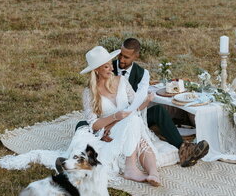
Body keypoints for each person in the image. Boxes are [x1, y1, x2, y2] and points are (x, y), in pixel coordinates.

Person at [113, 38, 209, 167]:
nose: (121, 60)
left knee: (158, 110)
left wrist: (134, 111)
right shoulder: (108, 68)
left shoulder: (143, 74)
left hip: (134, 114)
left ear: (136, 56)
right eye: (120, 54)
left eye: (126, 57)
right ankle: (185, 149)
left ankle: (184, 149)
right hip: (112, 115)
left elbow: (138, 100)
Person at [80, 45, 161, 186]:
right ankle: (131, 167)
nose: (112, 68)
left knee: (136, 126)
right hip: (109, 132)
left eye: (111, 64)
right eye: (106, 67)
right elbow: (94, 124)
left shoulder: (122, 81)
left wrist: (146, 101)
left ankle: (154, 173)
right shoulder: (89, 93)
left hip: (125, 124)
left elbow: (136, 107)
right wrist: (115, 118)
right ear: (96, 70)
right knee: (134, 122)